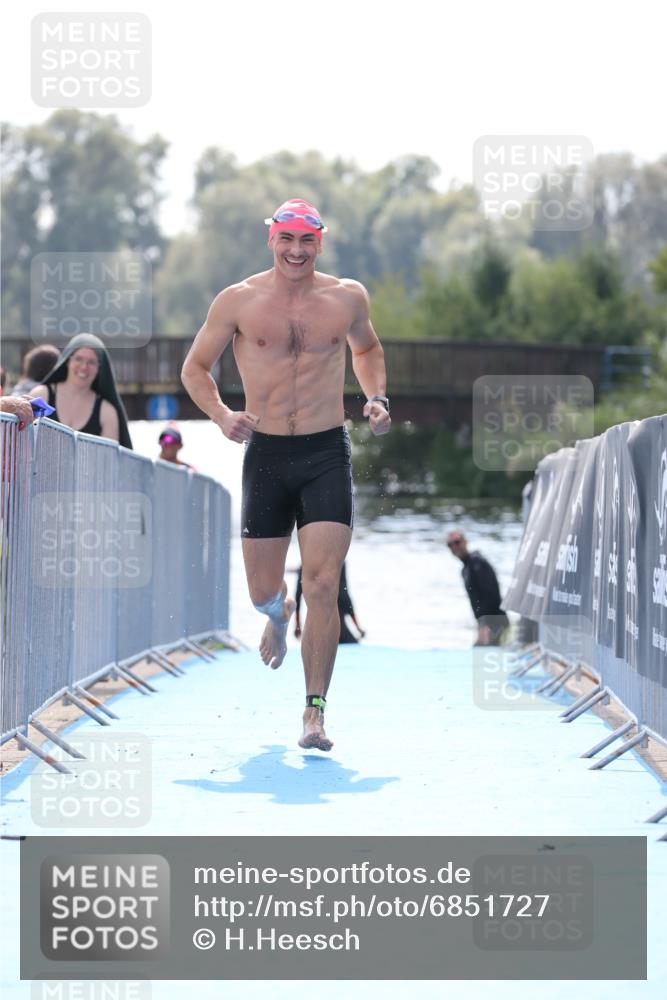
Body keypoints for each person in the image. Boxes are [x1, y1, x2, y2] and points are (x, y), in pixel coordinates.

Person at [181, 197, 390, 751]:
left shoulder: (346, 297)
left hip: (326, 451)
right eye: (286, 240)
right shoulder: (239, 300)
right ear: (271, 239)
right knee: (261, 592)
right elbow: (195, 368)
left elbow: (367, 348)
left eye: (306, 241)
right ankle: (278, 613)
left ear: (319, 242)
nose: (296, 251)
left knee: (324, 583)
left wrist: (375, 397)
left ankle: (314, 712)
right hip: (267, 454)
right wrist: (223, 416)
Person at [30, 333, 132, 448]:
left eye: (91, 362)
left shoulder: (107, 412)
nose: (84, 367)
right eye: (78, 359)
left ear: (99, 368)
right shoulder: (41, 395)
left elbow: (108, 461)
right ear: (67, 361)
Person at [446, 530, 509, 646]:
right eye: (450, 545)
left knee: (482, 654)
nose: (454, 547)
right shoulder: (466, 568)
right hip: (486, 621)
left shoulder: (477, 563)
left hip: (494, 621)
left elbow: (491, 595)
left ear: (465, 542)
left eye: (457, 542)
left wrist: (486, 625)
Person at [294, 562, 366, 645]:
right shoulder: (338, 561)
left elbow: (297, 597)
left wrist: (297, 625)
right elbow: (344, 596)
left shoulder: (306, 564)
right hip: (336, 625)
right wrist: (357, 627)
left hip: (315, 628)